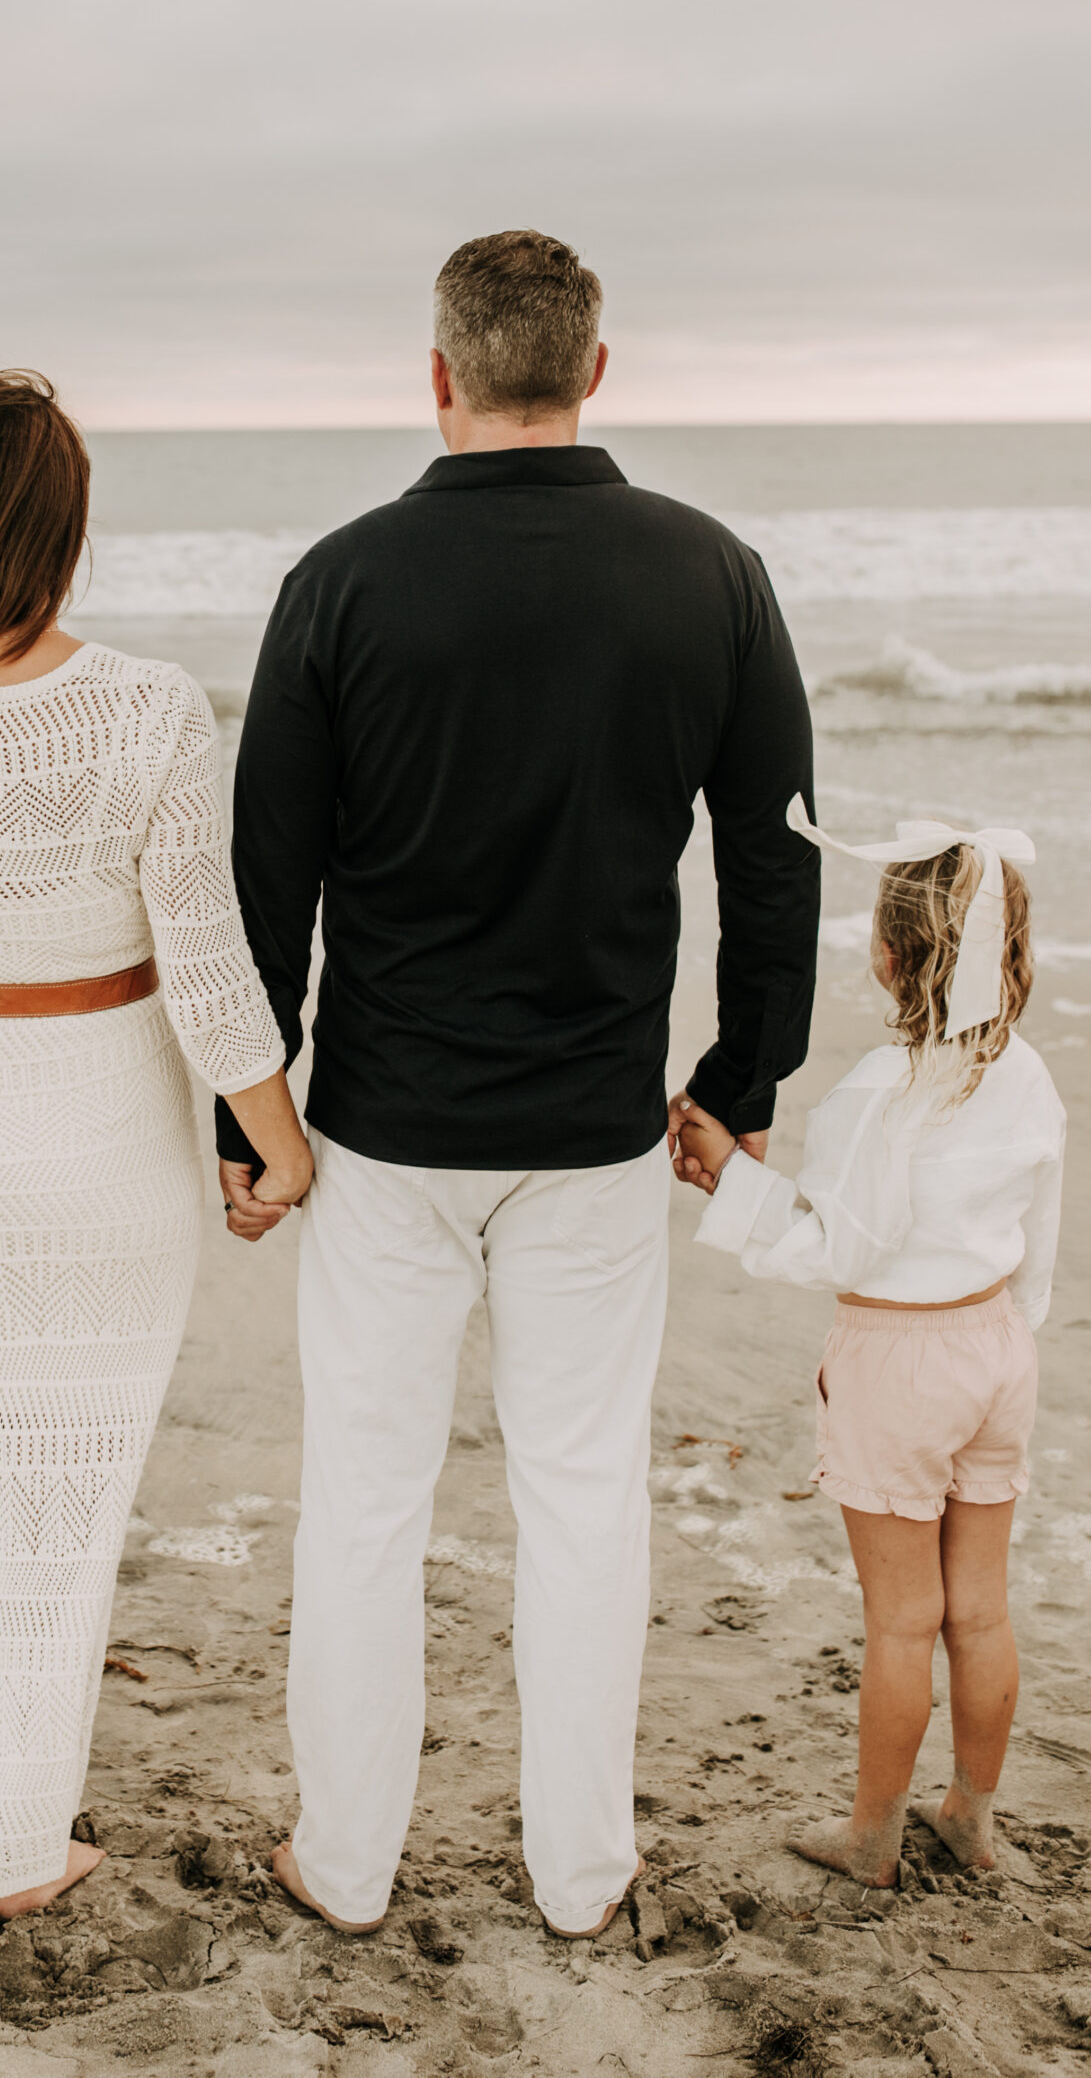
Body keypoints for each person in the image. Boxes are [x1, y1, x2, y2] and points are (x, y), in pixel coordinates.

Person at [216, 229, 820, 1941]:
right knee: (577, 1500)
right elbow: (773, 858)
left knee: (364, 1499)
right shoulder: (709, 572)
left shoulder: (339, 581)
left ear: (438, 375)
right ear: (595, 373)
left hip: (379, 1139)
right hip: (594, 1138)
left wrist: (241, 1122)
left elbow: (262, 880)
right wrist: (741, 1074)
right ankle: (577, 1875)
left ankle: (342, 1866)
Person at [0, 370, 311, 1939]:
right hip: (97, 1153)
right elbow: (205, 959)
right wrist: (273, 1145)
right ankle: (3, 1841)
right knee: (57, 1509)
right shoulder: (150, 705)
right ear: (67, 529)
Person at [677, 797, 1065, 1888]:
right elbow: (1038, 1239)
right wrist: (1003, 1333)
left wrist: (733, 1178)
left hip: (899, 1364)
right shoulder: (1028, 1077)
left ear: (891, 959)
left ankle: (874, 1835)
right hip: (996, 1348)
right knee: (978, 1610)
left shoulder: (878, 1095)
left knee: (902, 1622)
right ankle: (975, 1821)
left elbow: (840, 1248)